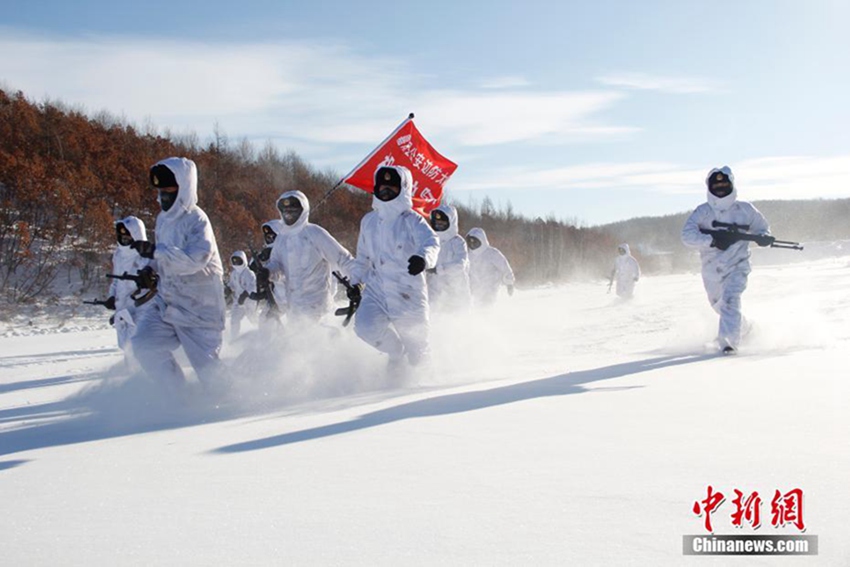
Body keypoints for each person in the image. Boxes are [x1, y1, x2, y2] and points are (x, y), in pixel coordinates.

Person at [130, 157, 227, 392]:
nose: (163, 194)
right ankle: (176, 395)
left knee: (210, 373)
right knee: (144, 345)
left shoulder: (197, 220)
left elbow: (197, 259)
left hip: (199, 309)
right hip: (168, 303)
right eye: (160, 190)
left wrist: (157, 252)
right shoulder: (162, 220)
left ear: (184, 186)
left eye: (169, 189)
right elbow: (160, 257)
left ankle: (233, 404)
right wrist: (149, 270)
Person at [350, 165, 440, 371]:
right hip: (377, 290)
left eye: (392, 186)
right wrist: (355, 283)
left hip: (407, 291)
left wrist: (423, 259)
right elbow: (362, 257)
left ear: (404, 187)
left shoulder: (411, 219)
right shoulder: (369, 221)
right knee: (365, 327)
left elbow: (431, 241)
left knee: (418, 351)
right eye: (382, 185)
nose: (386, 189)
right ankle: (396, 353)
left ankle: (427, 387)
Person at [681, 166, 771, 355]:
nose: (720, 187)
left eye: (724, 183)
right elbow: (687, 235)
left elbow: (761, 227)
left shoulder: (745, 209)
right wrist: (712, 241)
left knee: (731, 299)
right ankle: (748, 329)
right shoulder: (702, 212)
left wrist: (763, 236)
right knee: (720, 306)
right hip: (711, 269)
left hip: (738, 265)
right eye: (716, 184)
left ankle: (728, 343)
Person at [261, 190, 356, 322]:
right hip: (294, 310)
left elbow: (343, 259)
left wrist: (358, 283)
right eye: (286, 211)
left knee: (318, 341)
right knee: (297, 342)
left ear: (303, 210)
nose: (289, 214)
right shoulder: (281, 239)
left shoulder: (314, 233)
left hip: (318, 309)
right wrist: (268, 272)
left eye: (293, 210)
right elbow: (278, 265)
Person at [107, 216, 152, 352]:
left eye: (127, 236)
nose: (124, 239)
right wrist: (112, 297)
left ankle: (150, 372)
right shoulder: (118, 254)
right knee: (126, 347)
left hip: (141, 308)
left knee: (140, 346)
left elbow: (156, 283)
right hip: (122, 309)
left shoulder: (147, 255)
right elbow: (116, 281)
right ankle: (129, 372)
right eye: (121, 236)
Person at [426, 203, 471, 311]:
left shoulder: (458, 242)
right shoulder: (429, 241)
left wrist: (438, 269)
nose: (439, 225)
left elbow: (460, 265)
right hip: (434, 292)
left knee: (456, 324)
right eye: (437, 223)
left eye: (442, 223)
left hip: (456, 292)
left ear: (451, 222)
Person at [466, 227, 515, 307]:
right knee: (476, 312)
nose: (472, 244)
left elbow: (505, 267)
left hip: (491, 290)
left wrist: (509, 283)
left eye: (475, 242)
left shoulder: (492, 253)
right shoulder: (468, 255)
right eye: (470, 242)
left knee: (487, 311)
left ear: (481, 240)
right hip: (475, 292)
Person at [227, 250, 257, 340]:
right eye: (234, 261)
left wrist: (245, 294)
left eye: (238, 261)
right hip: (238, 302)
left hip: (249, 302)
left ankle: (262, 331)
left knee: (253, 318)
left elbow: (253, 286)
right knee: (234, 319)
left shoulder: (249, 273)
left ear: (243, 260)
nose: (236, 263)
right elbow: (232, 285)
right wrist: (228, 289)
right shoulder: (234, 274)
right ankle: (234, 337)